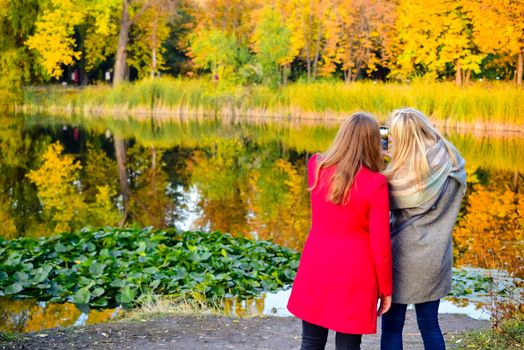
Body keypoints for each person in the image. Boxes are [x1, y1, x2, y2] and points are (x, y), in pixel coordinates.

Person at [287, 112, 393, 350]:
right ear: (373, 143)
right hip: (355, 272)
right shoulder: (376, 183)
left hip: (317, 263)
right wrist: (386, 288)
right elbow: (381, 244)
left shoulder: (317, 165)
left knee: (311, 342)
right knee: (348, 347)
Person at [380, 108, 467, 350]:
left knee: (391, 328)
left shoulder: (402, 178)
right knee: (430, 325)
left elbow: (379, 200)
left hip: (402, 260)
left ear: (403, 137)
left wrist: (383, 158)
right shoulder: (452, 160)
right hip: (436, 257)